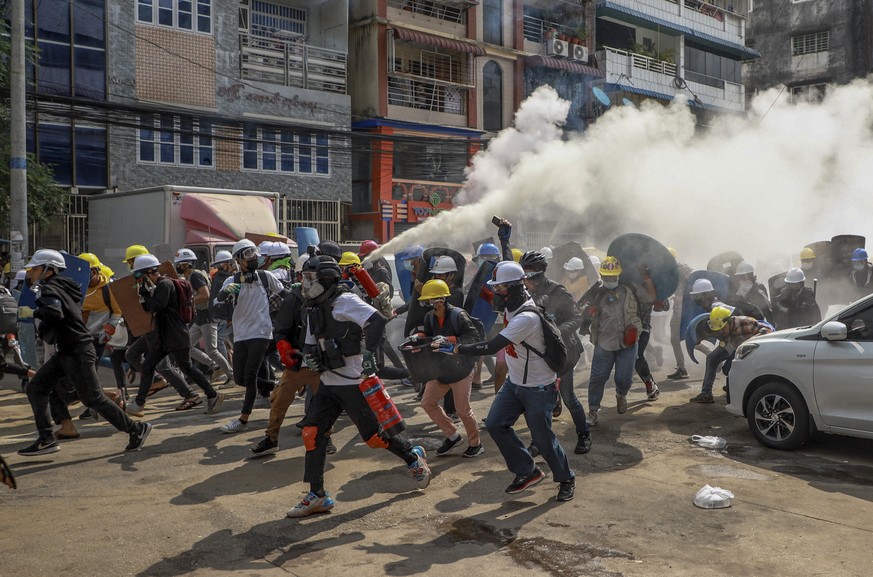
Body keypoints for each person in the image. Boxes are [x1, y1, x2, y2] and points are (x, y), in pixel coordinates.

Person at [286, 256, 431, 518]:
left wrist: (369, 353)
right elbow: (309, 341)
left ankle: (412, 456)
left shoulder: (344, 301)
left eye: (310, 278)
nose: (305, 283)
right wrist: (307, 357)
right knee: (311, 433)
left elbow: (376, 320)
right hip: (328, 382)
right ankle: (317, 495)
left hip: (353, 383)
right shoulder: (312, 306)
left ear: (326, 278)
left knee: (375, 438)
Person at [435, 262, 576, 502]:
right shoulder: (515, 302)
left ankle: (566, 478)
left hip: (538, 387)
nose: (494, 293)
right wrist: (504, 240)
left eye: (499, 289)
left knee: (543, 439)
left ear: (513, 288)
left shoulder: (526, 318)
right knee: (495, 423)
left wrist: (456, 348)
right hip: (515, 383)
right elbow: (511, 267)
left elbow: (491, 347)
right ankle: (528, 471)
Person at [17, 249, 151, 456]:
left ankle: (137, 429)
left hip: (77, 351)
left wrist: (32, 312)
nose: (30, 274)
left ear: (48, 270)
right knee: (37, 387)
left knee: (93, 399)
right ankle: (46, 439)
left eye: (34, 269)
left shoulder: (51, 288)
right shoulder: (64, 286)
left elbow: (54, 313)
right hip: (68, 351)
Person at [127, 254, 226, 415]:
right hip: (166, 336)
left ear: (149, 272)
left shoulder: (164, 285)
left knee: (186, 367)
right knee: (148, 366)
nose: (138, 279)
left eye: (139, 274)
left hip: (175, 336)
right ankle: (138, 403)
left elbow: (155, 307)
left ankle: (212, 395)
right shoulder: (161, 285)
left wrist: (144, 296)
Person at [519, 250, 591, 455]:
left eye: (532, 273)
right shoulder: (524, 293)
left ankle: (584, 433)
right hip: (538, 355)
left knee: (568, 397)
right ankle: (538, 442)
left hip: (563, 353)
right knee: (537, 403)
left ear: (542, 272)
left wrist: (557, 331)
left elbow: (577, 319)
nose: (528, 280)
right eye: (524, 273)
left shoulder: (558, 291)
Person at [217, 239, 284, 433]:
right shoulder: (232, 281)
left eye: (254, 252)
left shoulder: (265, 276)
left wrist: (299, 294)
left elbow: (284, 293)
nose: (254, 257)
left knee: (250, 376)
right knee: (239, 378)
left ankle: (243, 420)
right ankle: (280, 386)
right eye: (248, 254)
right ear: (238, 259)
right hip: (241, 334)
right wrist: (225, 292)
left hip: (261, 331)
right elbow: (219, 299)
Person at [414, 279, 483, 458]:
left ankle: (476, 444)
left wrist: (449, 340)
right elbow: (429, 337)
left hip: (461, 369)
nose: (427, 304)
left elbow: (473, 339)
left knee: (462, 411)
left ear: (441, 300)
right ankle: (452, 436)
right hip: (441, 370)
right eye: (426, 301)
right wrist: (418, 336)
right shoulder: (429, 317)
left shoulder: (458, 316)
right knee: (427, 403)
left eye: (430, 300)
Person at [577, 257, 641, 425]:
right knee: (597, 377)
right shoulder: (595, 294)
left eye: (613, 277)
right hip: (604, 342)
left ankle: (621, 395)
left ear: (619, 276)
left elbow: (647, 303)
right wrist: (586, 320)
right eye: (606, 277)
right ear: (601, 276)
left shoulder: (631, 290)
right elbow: (582, 311)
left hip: (628, 342)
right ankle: (592, 411)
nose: (610, 280)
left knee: (624, 378)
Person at [174, 248, 234, 386]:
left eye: (180, 264)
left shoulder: (195, 276)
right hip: (200, 317)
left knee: (211, 349)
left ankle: (230, 375)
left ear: (187, 264)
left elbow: (205, 294)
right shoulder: (191, 276)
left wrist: (188, 302)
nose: (178, 267)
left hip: (207, 316)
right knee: (186, 346)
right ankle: (215, 366)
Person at [689, 306, 773, 403]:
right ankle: (706, 394)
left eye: (722, 328)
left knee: (729, 369)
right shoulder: (722, 327)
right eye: (718, 329)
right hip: (735, 344)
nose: (720, 331)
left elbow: (768, 330)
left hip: (750, 347)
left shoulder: (745, 324)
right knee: (712, 358)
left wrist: (752, 342)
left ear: (729, 321)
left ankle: (738, 392)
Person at [667, 249, 693, 380]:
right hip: (678, 309)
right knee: (677, 339)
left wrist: (681, 297)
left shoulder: (682, 268)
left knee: (688, 337)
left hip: (682, 309)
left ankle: (682, 369)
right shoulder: (670, 271)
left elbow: (692, 283)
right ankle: (681, 367)